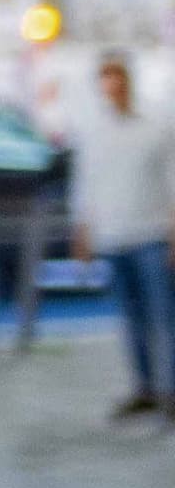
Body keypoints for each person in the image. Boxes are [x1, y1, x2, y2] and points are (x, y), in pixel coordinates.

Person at [66, 51, 175, 416]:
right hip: (113, 236)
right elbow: (84, 185)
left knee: (164, 316)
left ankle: (170, 391)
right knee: (131, 319)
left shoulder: (156, 127)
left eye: (118, 78)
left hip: (151, 234)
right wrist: (83, 232)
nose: (112, 86)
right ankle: (144, 387)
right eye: (106, 79)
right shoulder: (92, 131)